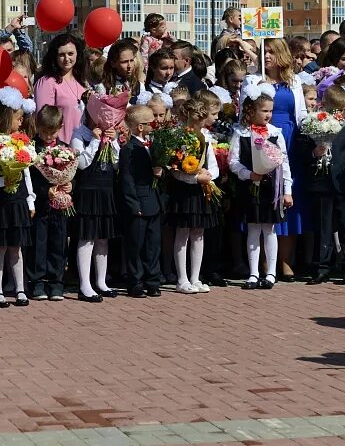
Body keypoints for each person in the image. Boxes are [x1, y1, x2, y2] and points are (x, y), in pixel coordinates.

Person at [251, 38, 307, 281]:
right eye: (265, 52)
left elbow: (301, 114)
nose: (268, 56)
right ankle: (264, 261)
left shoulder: (293, 81)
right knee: (264, 198)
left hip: (289, 138)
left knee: (288, 198)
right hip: (262, 138)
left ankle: (285, 260)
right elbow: (247, 111)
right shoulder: (254, 79)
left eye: (272, 52)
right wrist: (258, 86)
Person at [229, 83, 293, 290]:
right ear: (251, 110)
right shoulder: (241, 133)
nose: (268, 115)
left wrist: (287, 191)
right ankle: (254, 273)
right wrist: (249, 174)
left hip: (271, 189)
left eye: (270, 111)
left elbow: (284, 162)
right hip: (250, 186)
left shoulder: (275, 132)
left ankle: (271, 272)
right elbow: (233, 161)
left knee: (270, 229)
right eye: (264, 110)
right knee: (253, 229)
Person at [0, 89, 36, 308]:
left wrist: (30, 200)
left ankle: (20, 288)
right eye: (18, 118)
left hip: (18, 201)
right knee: (0, 247)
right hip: (0, 203)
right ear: (7, 117)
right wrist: (3, 182)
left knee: (17, 247)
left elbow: (26, 172)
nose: (21, 122)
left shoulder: (22, 142)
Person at [302, 85, 345, 285]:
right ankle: (321, 267)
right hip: (321, 181)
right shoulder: (312, 122)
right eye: (332, 106)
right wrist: (313, 153)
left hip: (343, 182)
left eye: (340, 108)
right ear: (323, 103)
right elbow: (302, 148)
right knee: (323, 226)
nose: (337, 112)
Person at [166, 98, 220, 294]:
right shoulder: (178, 136)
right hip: (184, 190)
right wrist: (194, 178)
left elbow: (212, 164)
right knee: (183, 233)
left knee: (198, 233)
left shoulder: (205, 136)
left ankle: (196, 277)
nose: (200, 124)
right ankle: (182, 279)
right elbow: (174, 169)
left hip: (201, 190)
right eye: (197, 120)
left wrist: (208, 176)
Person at [70, 106, 120, 302]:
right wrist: (95, 141)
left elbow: (116, 164)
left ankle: (101, 281)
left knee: (102, 239)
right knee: (87, 238)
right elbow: (81, 164)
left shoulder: (110, 136)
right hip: (88, 191)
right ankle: (84, 284)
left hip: (106, 190)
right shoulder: (79, 134)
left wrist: (113, 141)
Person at [118, 104, 163, 298]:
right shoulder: (129, 148)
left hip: (153, 201)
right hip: (139, 203)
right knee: (135, 245)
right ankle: (134, 281)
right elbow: (127, 179)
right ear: (140, 127)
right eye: (151, 121)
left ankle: (153, 280)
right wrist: (132, 203)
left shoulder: (153, 145)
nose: (155, 124)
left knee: (153, 245)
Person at [27, 106, 69, 301]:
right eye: (44, 131)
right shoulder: (31, 148)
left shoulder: (65, 148)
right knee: (38, 242)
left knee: (58, 243)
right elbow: (30, 179)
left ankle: (56, 283)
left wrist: (69, 185)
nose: (47, 136)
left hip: (59, 206)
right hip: (41, 204)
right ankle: (36, 282)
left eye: (52, 132)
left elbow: (72, 173)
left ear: (60, 127)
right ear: (37, 126)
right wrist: (45, 191)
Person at [33, 33, 88, 145]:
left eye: (71, 53)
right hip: (60, 149)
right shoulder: (47, 82)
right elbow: (44, 122)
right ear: (55, 57)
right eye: (62, 55)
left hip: (83, 147)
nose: (67, 58)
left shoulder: (82, 82)